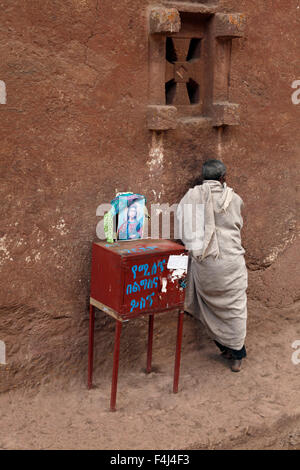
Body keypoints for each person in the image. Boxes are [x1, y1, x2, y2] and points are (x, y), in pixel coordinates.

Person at [176, 159, 248, 372]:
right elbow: (238, 225)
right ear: (222, 178)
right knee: (235, 309)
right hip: (231, 263)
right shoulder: (233, 199)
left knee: (207, 307)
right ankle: (237, 354)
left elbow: (183, 229)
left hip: (206, 266)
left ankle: (224, 346)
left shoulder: (190, 198)